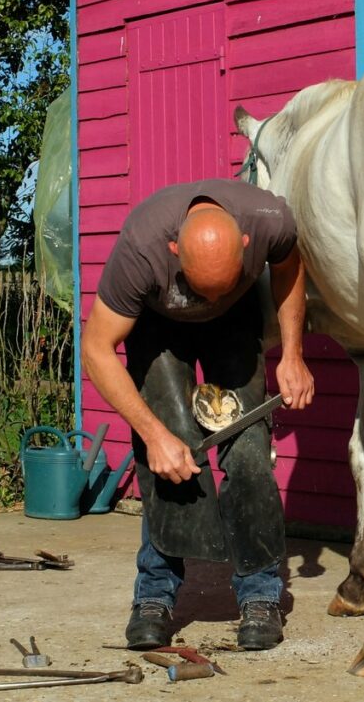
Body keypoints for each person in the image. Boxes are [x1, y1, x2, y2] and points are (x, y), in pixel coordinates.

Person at [81, 178, 314, 651]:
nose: (208, 297)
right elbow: (96, 349)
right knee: (170, 455)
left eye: (220, 285)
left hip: (234, 324)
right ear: (173, 251)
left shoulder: (270, 221)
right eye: (200, 287)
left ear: (247, 245)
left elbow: (291, 269)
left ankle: (261, 595)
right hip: (158, 328)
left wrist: (293, 353)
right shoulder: (141, 249)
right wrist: (153, 433)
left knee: (249, 452)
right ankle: (154, 594)